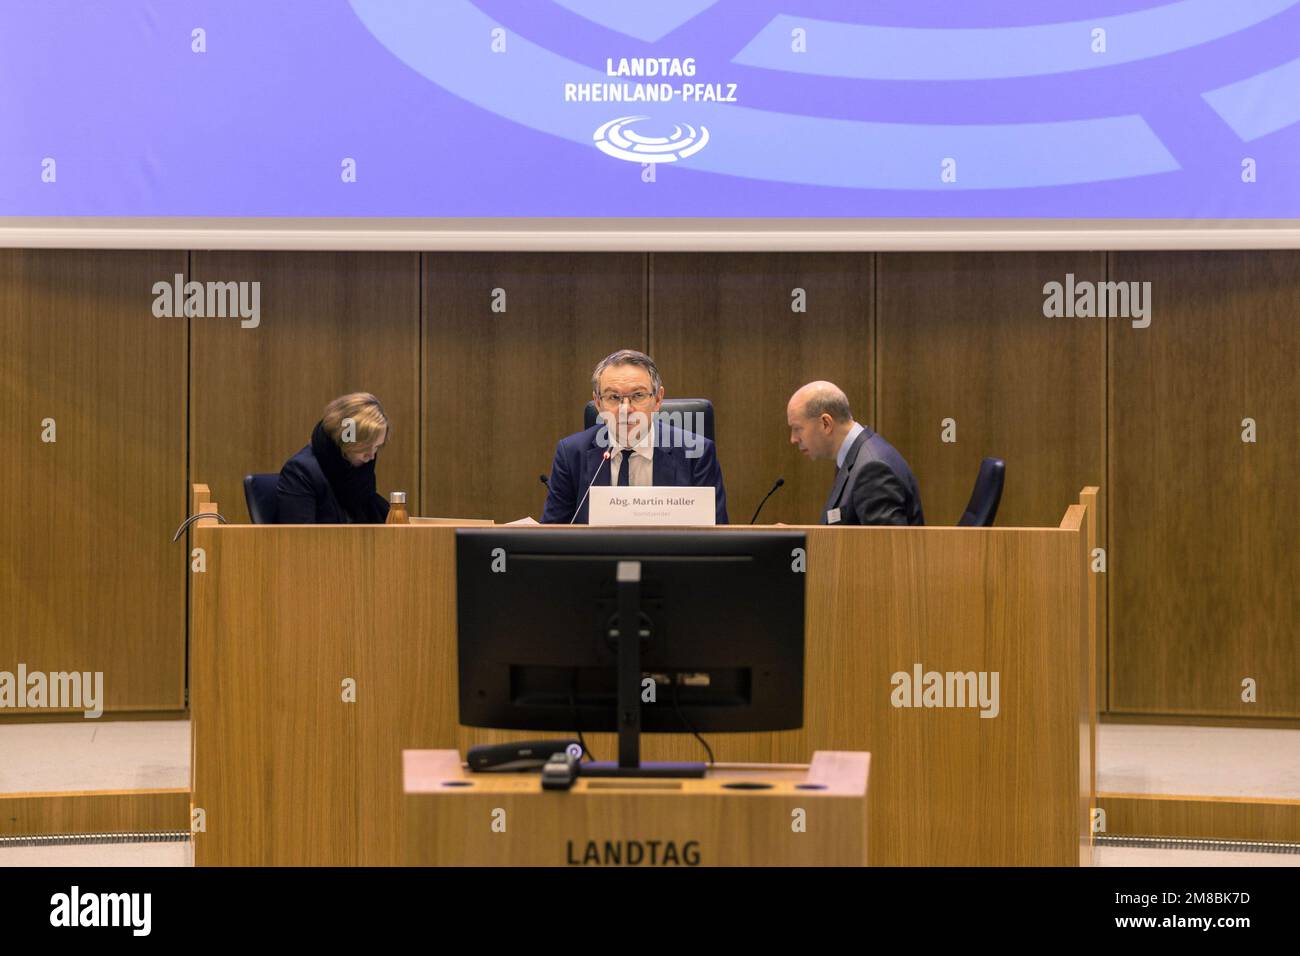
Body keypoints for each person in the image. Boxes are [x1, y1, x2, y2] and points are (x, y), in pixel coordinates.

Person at [542, 349, 728, 524]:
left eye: (638, 395)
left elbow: (715, 537)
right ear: (598, 402)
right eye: (613, 397)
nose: (625, 410)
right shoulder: (572, 454)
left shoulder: (697, 454)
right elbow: (551, 539)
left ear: (657, 399)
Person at [787, 381, 923, 526]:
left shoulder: (872, 469)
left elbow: (887, 547)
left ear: (826, 423)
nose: (793, 439)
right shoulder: (856, 457)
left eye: (797, 428)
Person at [276, 392, 392, 524]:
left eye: (376, 447)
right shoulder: (300, 472)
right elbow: (300, 540)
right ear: (344, 441)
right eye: (365, 448)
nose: (371, 456)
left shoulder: (362, 477)